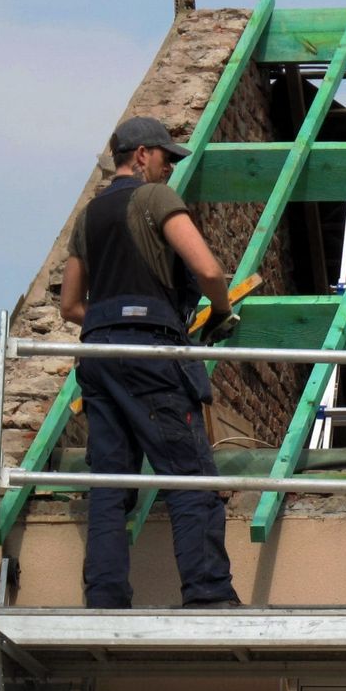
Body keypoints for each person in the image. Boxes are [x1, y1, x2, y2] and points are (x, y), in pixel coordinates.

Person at [58, 115, 244, 610]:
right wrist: (222, 312)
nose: (168, 171)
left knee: (109, 486)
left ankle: (105, 599)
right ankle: (208, 596)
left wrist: (109, 323)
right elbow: (207, 268)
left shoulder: (89, 216)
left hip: (97, 354)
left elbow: (71, 305)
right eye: (165, 159)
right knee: (188, 476)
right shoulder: (154, 198)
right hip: (150, 355)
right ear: (141, 155)